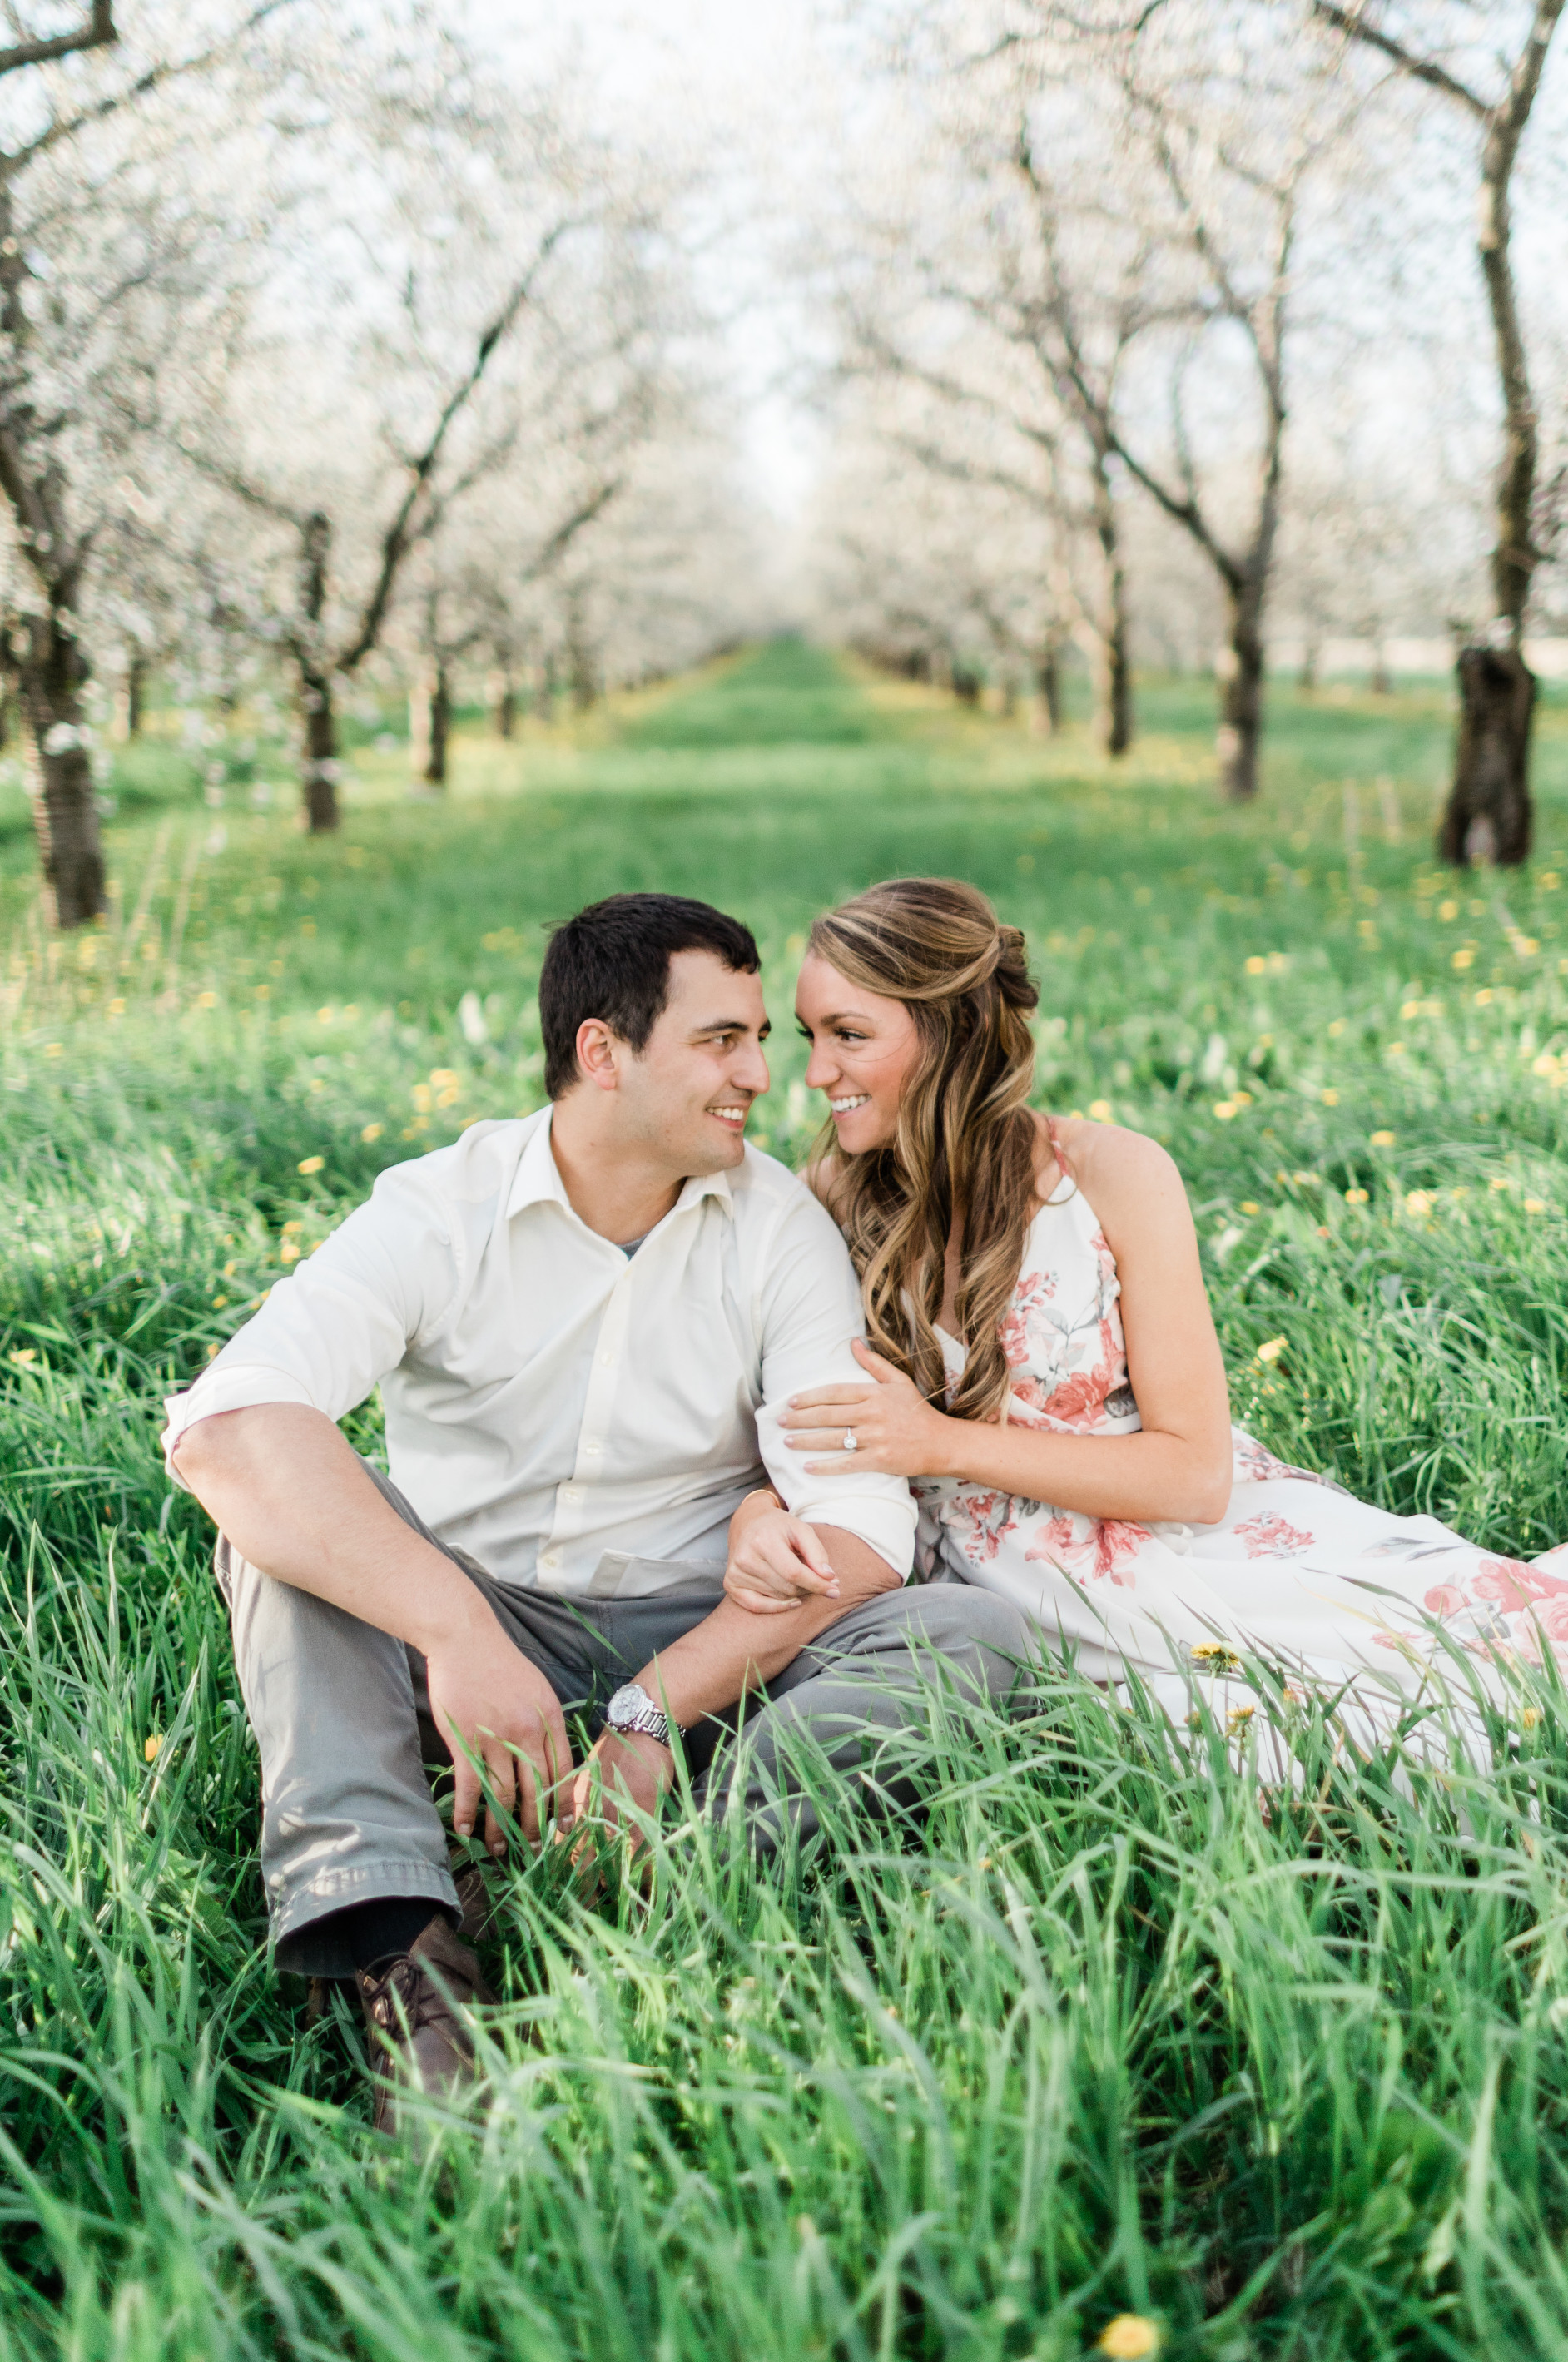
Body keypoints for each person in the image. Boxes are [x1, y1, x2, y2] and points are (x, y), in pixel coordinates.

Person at [166, 891, 1027, 2129]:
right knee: (282, 1546)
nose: (759, 1076)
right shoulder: (440, 1207)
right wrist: (459, 1633)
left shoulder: (778, 1227)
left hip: (704, 1629)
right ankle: (403, 1950)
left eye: (760, 1040)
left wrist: (646, 1718)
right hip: (469, 1597)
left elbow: (860, 1534)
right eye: (721, 1040)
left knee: (968, 1638)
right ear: (602, 1051)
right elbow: (228, 1421)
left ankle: (672, 1880)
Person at [722, 877, 1568, 1765]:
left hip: (1184, 1530)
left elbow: (1194, 1474)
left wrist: (943, 1444)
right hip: (1003, 1592)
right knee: (1338, 1735)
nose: (813, 1074)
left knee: (1502, 1646)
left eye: (848, 1036)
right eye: (811, 1036)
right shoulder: (827, 1200)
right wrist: (755, 1519)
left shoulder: (1110, 1174)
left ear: (949, 1034)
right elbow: (797, 1431)